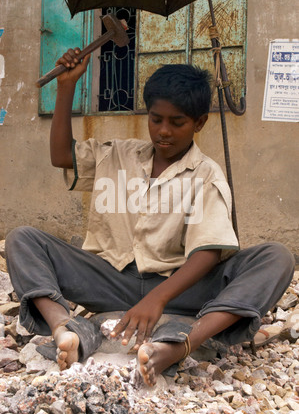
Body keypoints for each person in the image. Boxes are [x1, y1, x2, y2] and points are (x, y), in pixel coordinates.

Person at [5, 48, 295, 387]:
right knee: (22, 238)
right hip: (111, 281)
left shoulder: (206, 175)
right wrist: (67, 87)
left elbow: (208, 253)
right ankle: (63, 328)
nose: (164, 131)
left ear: (199, 122)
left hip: (180, 290)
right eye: (156, 119)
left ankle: (183, 342)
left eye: (177, 122)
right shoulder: (119, 154)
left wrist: (157, 299)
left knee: (276, 257)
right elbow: (60, 156)